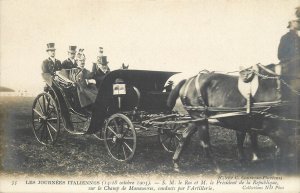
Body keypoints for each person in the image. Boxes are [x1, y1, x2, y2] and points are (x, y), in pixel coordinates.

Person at [277, 17, 300, 100]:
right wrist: (293, 59)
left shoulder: (299, 39)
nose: (298, 23)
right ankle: (283, 95)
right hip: (288, 64)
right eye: (296, 21)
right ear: (291, 23)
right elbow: (280, 55)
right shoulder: (285, 38)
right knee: (284, 73)